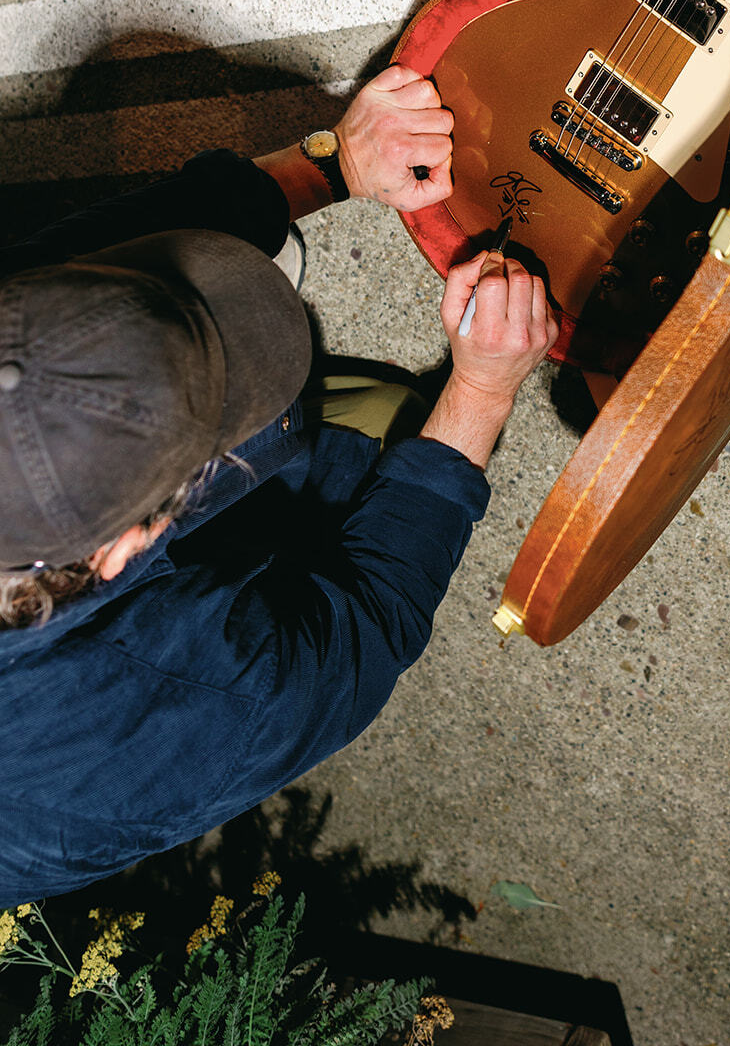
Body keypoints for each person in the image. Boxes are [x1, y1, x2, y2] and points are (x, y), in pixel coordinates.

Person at [0, 63, 556, 906]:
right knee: (389, 430)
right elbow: (370, 616)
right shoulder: (141, 741)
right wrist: (481, 387)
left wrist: (334, 162)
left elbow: (45, 273)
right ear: (124, 547)